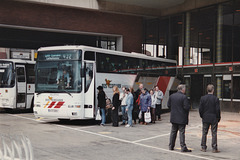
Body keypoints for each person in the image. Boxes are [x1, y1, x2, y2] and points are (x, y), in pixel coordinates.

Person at [167, 84, 191, 152]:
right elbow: (186, 107)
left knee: (173, 132)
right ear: (183, 89)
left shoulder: (172, 96)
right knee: (181, 132)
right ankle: (183, 147)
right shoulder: (184, 97)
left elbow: (168, 105)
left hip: (174, 117)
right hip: (181, 117)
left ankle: (171, 146)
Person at [199, 84, 221, 153]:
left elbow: (200, 109)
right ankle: (214, 148)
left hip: (205, 117)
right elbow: (217, 109)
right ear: (213, 90)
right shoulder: (215, 99)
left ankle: (203, 147)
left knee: (204, 133)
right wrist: (218, 117)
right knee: (214, 133)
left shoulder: (203, 98)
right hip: (213, 118)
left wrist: (202, 116)